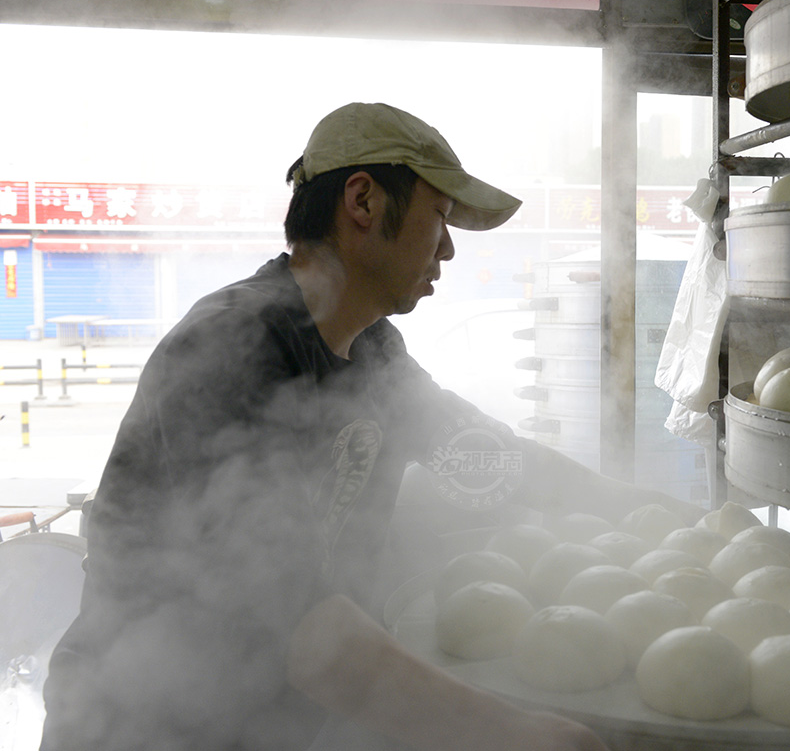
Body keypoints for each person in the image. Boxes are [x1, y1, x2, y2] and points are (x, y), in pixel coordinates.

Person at [40, 103, 695, 751]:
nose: (448, 247)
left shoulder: (373, 351)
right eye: (439, 216)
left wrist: (666, 520)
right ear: (363, 202)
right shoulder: (230, 346)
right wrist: (511, 732)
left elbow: (489, 457)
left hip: (276, 726)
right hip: (140, 726)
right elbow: (296, 625)